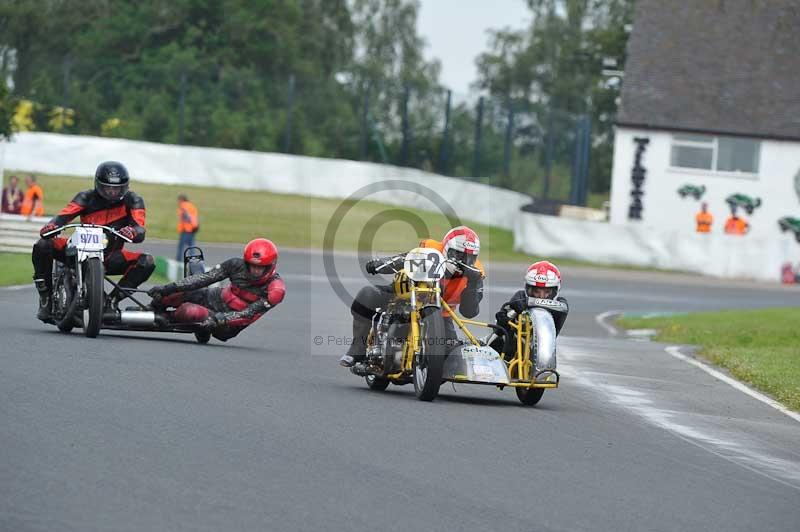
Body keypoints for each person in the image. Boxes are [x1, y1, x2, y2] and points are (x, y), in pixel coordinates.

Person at [339, 225, 485, 368]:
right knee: (367, 295)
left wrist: (472, 282)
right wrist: (380, 264)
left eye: (469, 257)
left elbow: (469, 312)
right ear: (446, 249)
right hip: (407, 294)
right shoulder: (431, 250)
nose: (463, 261)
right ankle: (358, 346)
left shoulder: (476, 272)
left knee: (450, 355)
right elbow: (406, 258)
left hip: (441, 313)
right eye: (458, 254)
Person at [32, 161, 155, 322]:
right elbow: (62, 217)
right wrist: (51, 227)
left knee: (147, 261)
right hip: (78, 251)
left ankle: (112, 301)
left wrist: (132, 231)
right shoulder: (85, 197)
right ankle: (45, 295)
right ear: (98, 185)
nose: (112, 192)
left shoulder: (133, 200)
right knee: (42, 245)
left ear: (125, 187)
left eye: (116, 188)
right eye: (108, 188)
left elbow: (140, 229)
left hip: (111, 255)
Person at [147, 238, 285, 342]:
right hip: (215, 297)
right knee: (171, 293)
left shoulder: (275, 290)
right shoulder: (236, 265)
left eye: (260, 268)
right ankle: (150, 309)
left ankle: (163, 318)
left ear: (270, 266)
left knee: (190, 311)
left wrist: (222, 319)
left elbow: (248, 314)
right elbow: (205, 278)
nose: (255, 271)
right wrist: (169, 287)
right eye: (251, 266)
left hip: (230, 323)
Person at [490, 261, 569, 359]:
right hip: (512, 349)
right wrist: (505, 315)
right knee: (497, 337)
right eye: (536, 291)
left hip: (539, 355)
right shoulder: (520, 296)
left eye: (547, 292)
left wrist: (528, 303)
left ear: (556, 290)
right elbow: (503, 316)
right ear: (528, 288)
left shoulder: (561, 304)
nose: (541, 296)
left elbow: (564, 308)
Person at [176, 194, 200, 261]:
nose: (178, 202)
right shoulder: (192, 206)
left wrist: (184, 227)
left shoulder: (183, 206)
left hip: (186, 229)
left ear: (181, 200)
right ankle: (193, 261)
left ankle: (178, 261)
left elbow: (186, 217)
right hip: (193, 228)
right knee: (191, 247)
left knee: (181, 247)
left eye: (178, 200)